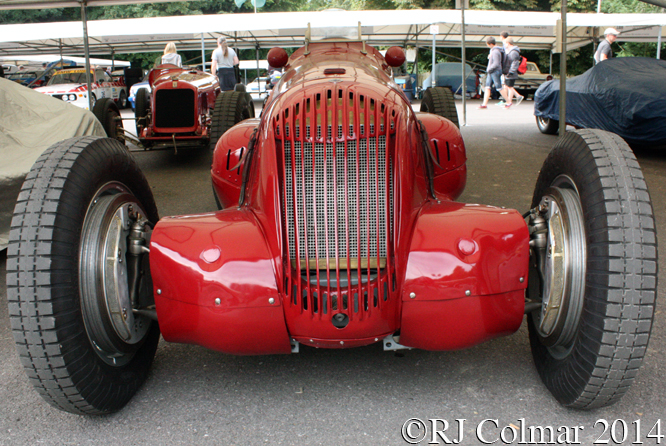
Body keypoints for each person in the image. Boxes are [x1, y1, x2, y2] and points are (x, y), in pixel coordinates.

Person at [478, 37, 507, 109]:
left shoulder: (495, 51)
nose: (487, 46)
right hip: (491, 71)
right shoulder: (493, 51)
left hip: (495, 71)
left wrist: (489, 69)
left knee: (499, 87)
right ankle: (484, 104)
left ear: (490, 44)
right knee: (487, 87)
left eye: (487, 44)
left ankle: (508, 101)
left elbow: (496, 63)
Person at [500, 37, 524, 109]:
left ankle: (509, 102)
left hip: (511, 73)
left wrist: (511, 71)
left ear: (508, 43)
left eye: (505, 44)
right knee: (508, 86)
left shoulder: (513, 52)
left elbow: (514, 63)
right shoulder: (512, 51)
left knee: (509, 87)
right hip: (509, 72)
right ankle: (516, 97)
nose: (504, 45)